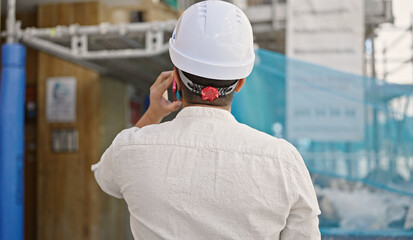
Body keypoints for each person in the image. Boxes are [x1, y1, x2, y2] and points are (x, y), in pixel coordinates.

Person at [91, 1, 321, 239]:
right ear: (240, 83)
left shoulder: (130, 149)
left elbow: (104, 178)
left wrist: (152, 114)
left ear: (175, 79)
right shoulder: (283, 161)